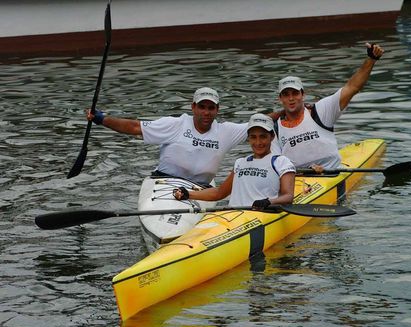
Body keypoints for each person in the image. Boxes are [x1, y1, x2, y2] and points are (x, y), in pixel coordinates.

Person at [86, 87, 248, 186]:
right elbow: (135, 127)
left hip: (201, 189)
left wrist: (275, 108)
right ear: (193, 107)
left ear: (217, 110)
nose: (206, 112)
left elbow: (260, 124)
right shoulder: (175, 124)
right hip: (164, 183)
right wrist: (101, 119)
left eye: (211, 108)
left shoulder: (225, 131)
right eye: (202, 107)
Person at [272, 43, 385, 173]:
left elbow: (352, 87)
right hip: (296, 179)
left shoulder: (321, 111)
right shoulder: (274, 128)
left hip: (331, 174)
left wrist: (371, 59)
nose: (291, 98)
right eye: (286, 95)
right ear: (280, 99)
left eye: (295, 93)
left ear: (303, 94)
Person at [172, 113, 296, 210]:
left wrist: (269, 202)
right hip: (232, 216)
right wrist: (188, 194)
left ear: (272, 137)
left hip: (261, 215)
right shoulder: (240, 163)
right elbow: (219, 193)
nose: (258, 143)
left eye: (263, 136)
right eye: (253, 137)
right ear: (248, 138)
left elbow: (288, 197)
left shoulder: (281, 162)